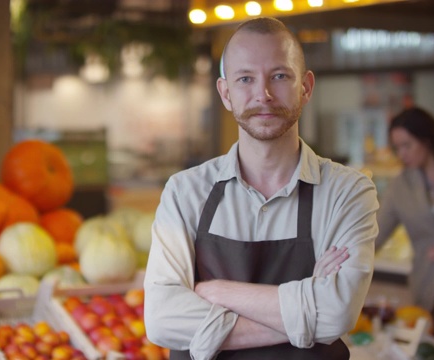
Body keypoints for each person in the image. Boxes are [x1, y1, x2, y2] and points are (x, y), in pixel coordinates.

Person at [143, 16, 379, 359]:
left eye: (280, 76)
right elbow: (162, 321)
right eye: (245, 79)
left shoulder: (348, 192)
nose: (263, 95)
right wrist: (306, 312)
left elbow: (336, 315)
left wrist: (218, 292)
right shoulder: (185, 192)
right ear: (226, 93)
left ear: (306, 87)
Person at [376, 106, 434, 345]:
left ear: (426, 139)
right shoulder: (400, 186)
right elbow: (375, 232)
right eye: (397, 148)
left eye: (407, 145)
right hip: (430, 289)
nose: (402, 154)